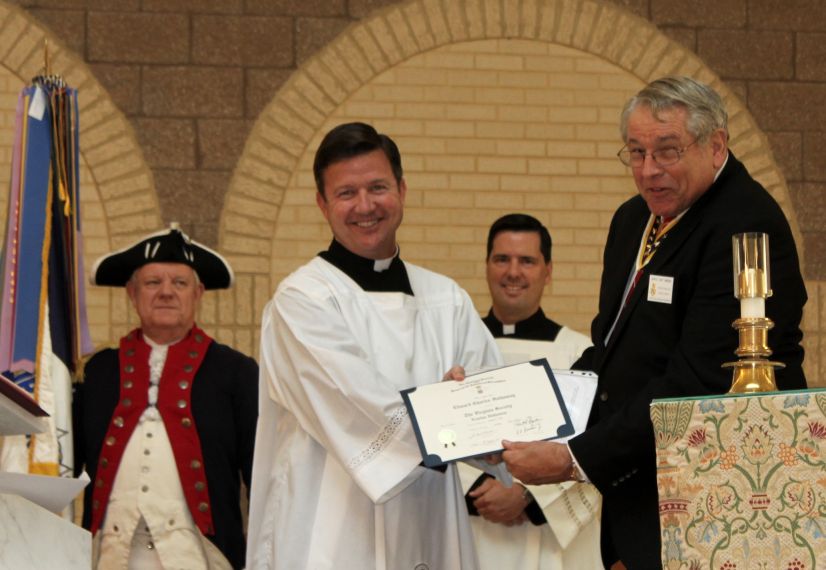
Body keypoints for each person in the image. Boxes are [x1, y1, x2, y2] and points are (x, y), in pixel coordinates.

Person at [502, 76, 807, 569]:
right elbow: (610, 353)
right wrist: (510, 408)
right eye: (636, 152)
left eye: (667, 151)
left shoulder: (745, 223)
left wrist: (572, 459)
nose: (649, 171)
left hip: (713, 505)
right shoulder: (632, 220)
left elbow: (698, 382)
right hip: (639, 501)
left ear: (716, 145)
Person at [246, 122, 502, 569]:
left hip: (429, 527)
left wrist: (486, 423)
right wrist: (450, 414)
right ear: (322, 203)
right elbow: (357, 404)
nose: (365, 206)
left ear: (402, 190)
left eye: (378, 187)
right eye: (346, 193)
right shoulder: (302, 300)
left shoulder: (446, 299)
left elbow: (493, 399)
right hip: (331, 535)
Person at [73, 226, 259, 570]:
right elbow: (66, 466)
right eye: (153, 282)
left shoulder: (236, 372)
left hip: (201, 556)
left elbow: (261, 477)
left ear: (198, 293)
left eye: (179, 283)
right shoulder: (97, 371)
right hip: (109, 555)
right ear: (132, 293)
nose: (166, 292)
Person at [458, 213, 601, 570]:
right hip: (468, 531)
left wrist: (527, 494)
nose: (513, 272)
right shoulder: (457, 347)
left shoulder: (577, 353)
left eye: (527, 261)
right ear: (487, 265)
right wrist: (477, 489)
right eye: (502, 259)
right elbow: (433, 435)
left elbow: (594, 448)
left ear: (547, 271)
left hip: (547, 541)